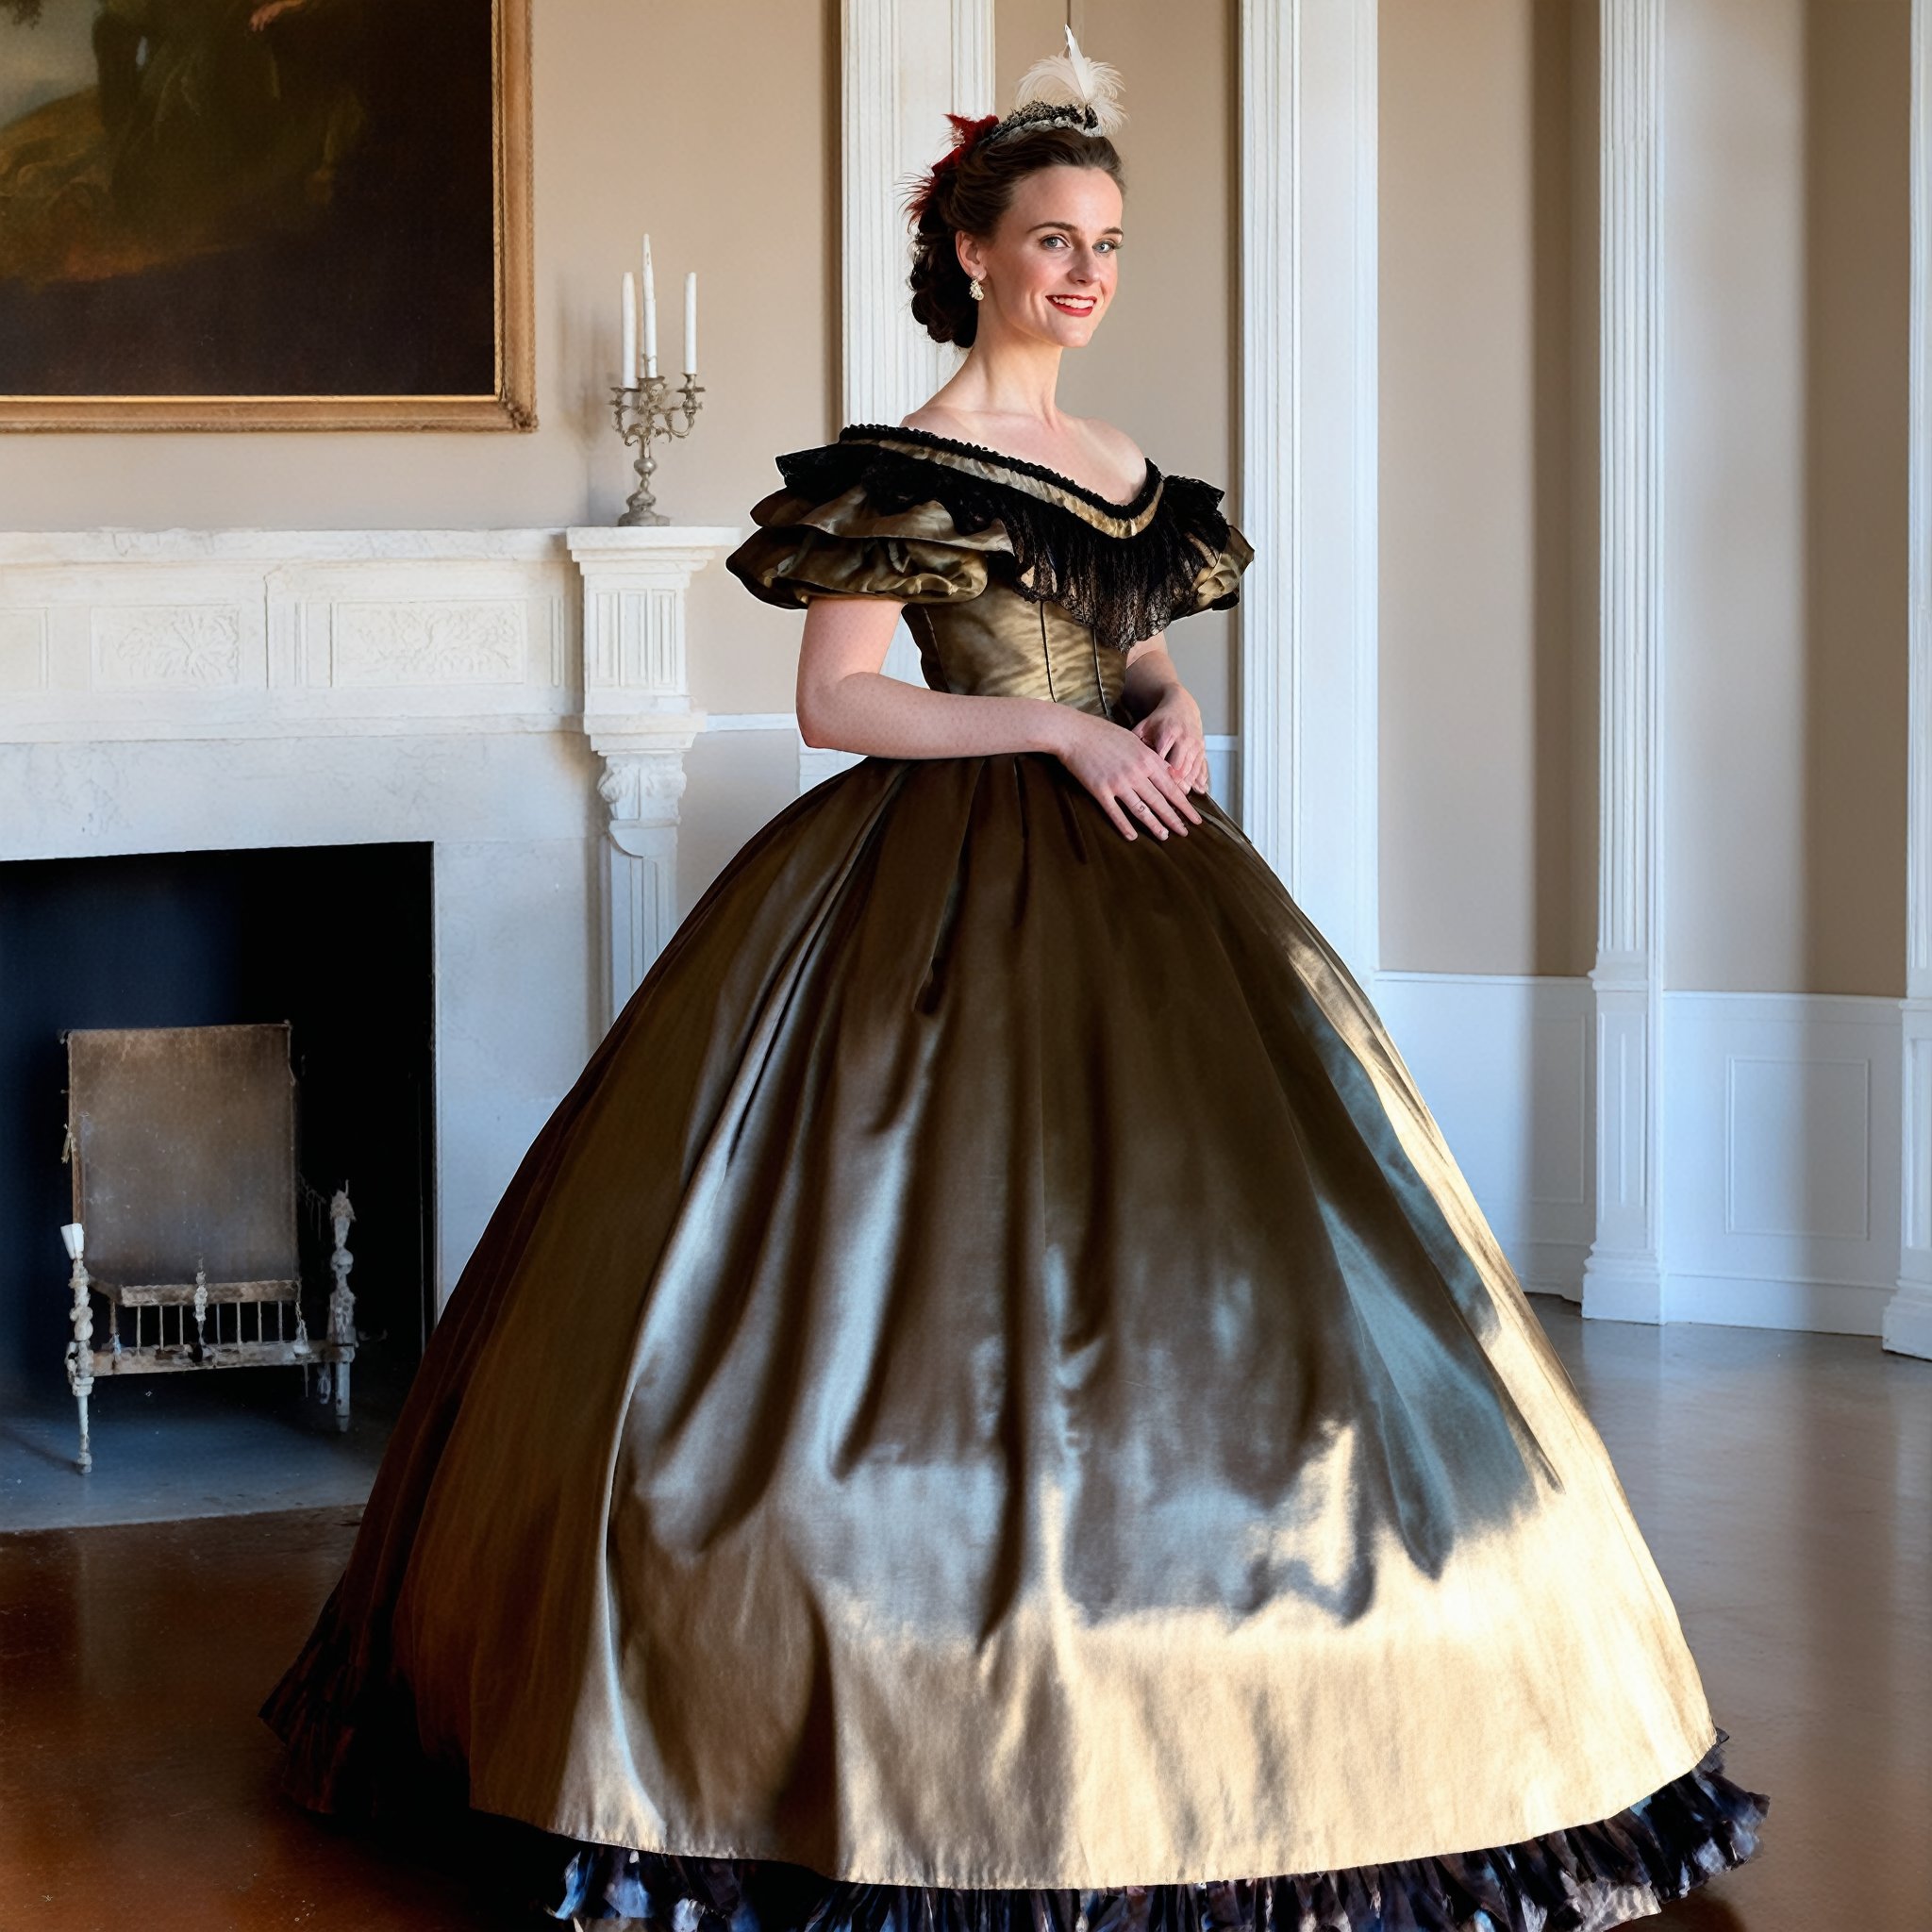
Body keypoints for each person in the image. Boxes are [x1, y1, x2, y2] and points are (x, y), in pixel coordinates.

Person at [263, 33, 1770, 1931]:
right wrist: (1050, 741)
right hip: (926, 884)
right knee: (892, 1295)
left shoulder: (1132, 473)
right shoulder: (899, 466)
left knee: (1277, 1283)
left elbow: (1123, 652)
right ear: (970, 250)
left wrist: (1160, 697)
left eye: (1107, 243)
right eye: (1049, 237)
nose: (1082, 271)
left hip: (1157, 891)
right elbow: (836, 703)